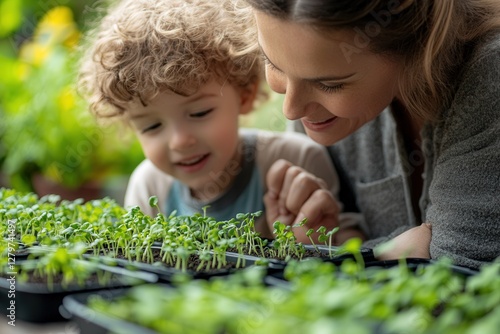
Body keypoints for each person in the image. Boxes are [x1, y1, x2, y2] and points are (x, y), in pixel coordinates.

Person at [77, 0, 365, 245]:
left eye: (199, 113)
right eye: (151, 127)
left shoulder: (295, 161)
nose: (180, 140)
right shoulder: (148, 187)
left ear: (245, 94)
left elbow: (351, 245)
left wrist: (310, 240)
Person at [244, 0, 500, 269]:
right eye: (274, 64)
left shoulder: (488, 81)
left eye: (329, 85)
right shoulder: (321, 97)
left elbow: (458, 277)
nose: (291, 110)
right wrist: (344, 242)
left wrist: (350, 258)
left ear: (413, 39)